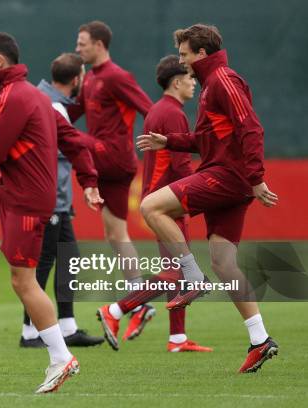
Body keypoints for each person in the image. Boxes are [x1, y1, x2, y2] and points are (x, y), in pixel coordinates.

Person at [0, 32, 102, 393]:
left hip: (26, 200)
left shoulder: (16, 96)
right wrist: (88, 181)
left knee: (23, 282)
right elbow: (73, 141)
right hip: (14, 191)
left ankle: (61, 358)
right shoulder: (35, 96)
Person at [137, 24, 279, 372]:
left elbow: (252, 128)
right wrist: (168, 142)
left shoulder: (223, 80)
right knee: (224, 262)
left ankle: (192, 277)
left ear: (201, 53)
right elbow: (206, 140)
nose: (182, 63)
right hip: (231, 179)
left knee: (150, 205)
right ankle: (260, 340)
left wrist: (256, 178)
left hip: (226, 177)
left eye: (185, 55)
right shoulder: (212, 84)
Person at [97, 55, 212, 353]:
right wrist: (204, 193)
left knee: (175, 271)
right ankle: (116, 310)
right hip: (168, 203)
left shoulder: (160, 110)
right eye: (190, 79)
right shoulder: (172, 113)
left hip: (159, 198)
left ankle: (177, 339)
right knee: (178, 273)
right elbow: (181, 166)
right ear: (176, 81)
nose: (194, 84)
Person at [69, 20, 155, 336]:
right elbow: (72, 112)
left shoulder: (117, 77)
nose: (77, 48)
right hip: (101, 161)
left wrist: (168, 141)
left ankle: (140, 299)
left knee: (117, 235)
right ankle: (140, 299)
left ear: (99, 45)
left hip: (115, 161)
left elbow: (150, 109)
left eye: (82, 43)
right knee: (115, 234)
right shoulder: (90, 78)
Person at [20, 53, 105, 349]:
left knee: (68, 257)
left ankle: (67, 326)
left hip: (59, 199)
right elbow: (55, 154)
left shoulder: (50, 100)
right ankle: (30, 332)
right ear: (77, 79)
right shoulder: (53, 105)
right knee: (43, 262)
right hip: (50, 198)